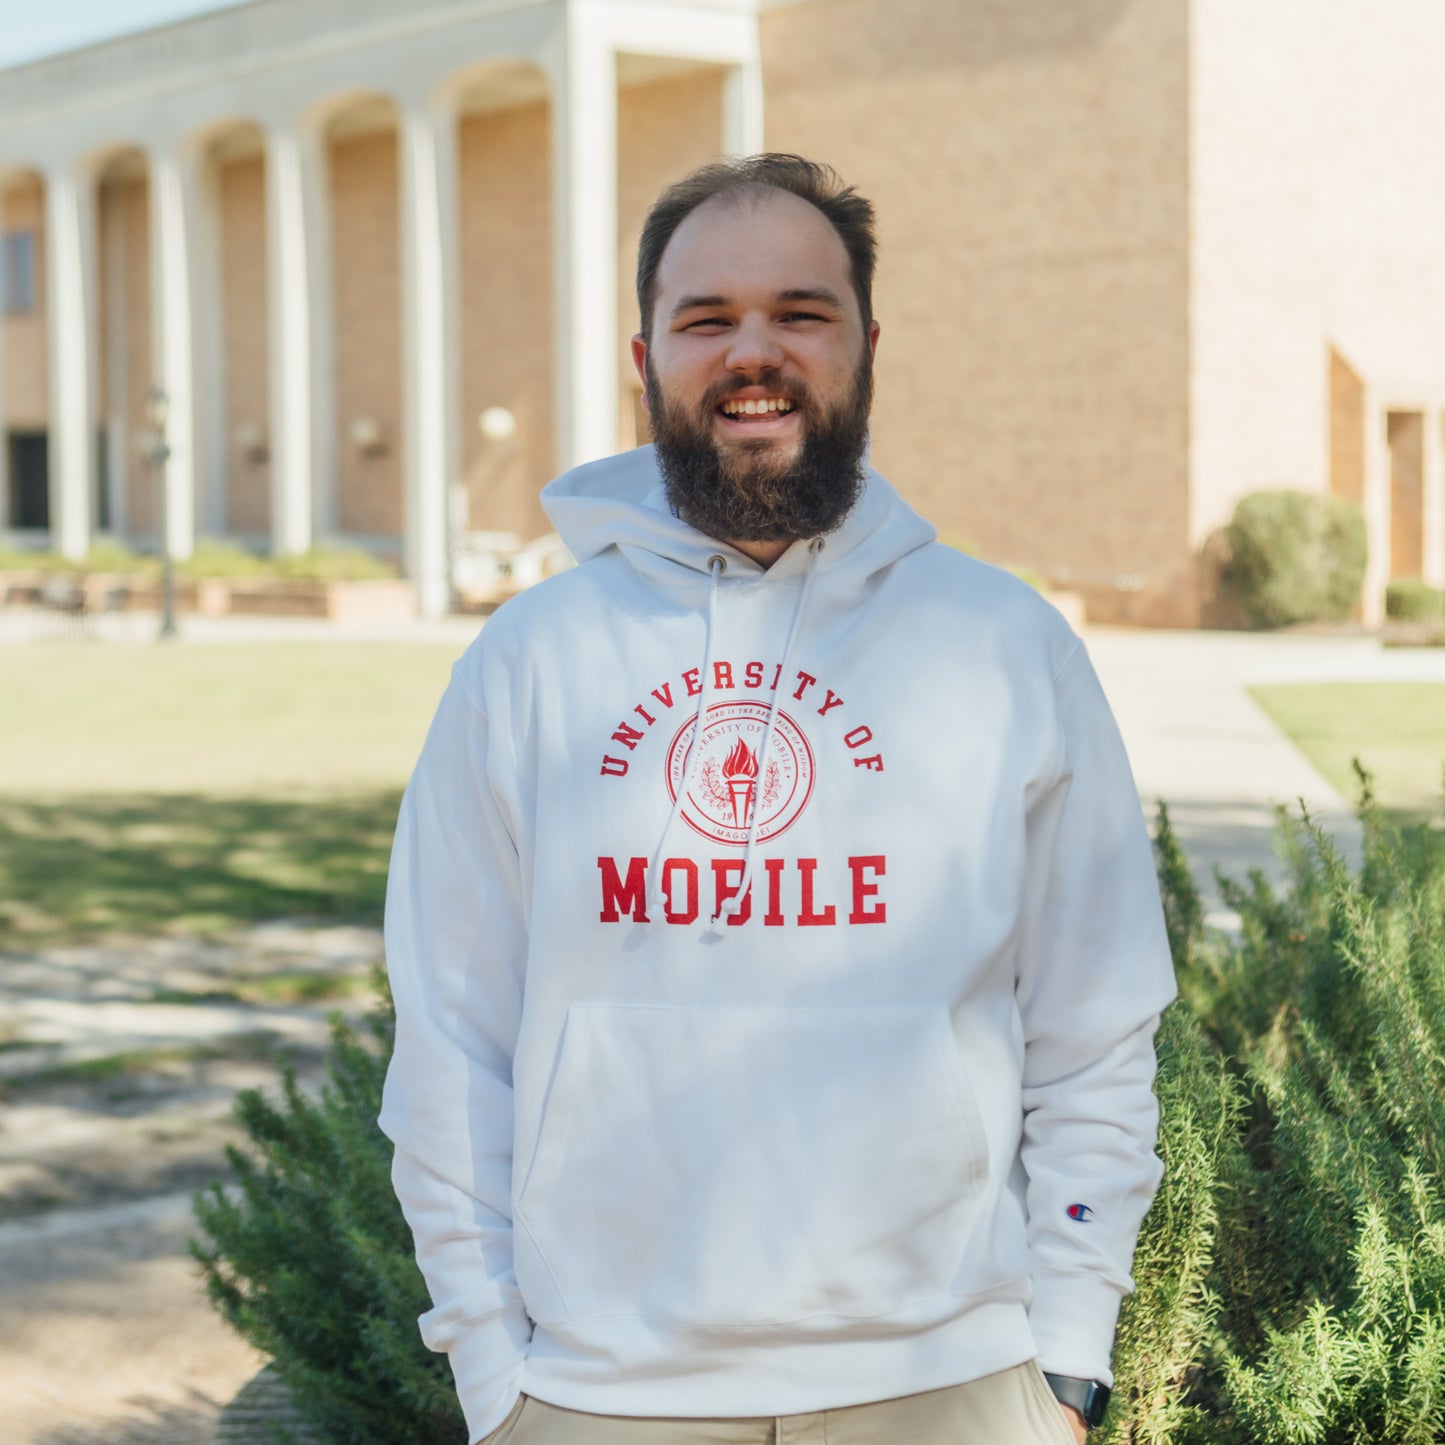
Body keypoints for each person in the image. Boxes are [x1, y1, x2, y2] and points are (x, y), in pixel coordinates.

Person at [380, 153, 1177, 1445]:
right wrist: (492, 1369)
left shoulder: (1002, 644)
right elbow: (450, 1042)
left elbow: (1094, 1024)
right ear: (643, 355)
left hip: (953, 1382)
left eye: (801, 312)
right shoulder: (527, 662)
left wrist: (1070, 1357)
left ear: (868, 344)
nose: (754, 351)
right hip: (598, 1394)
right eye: (708, 318)